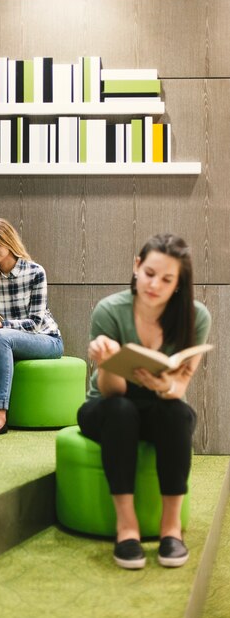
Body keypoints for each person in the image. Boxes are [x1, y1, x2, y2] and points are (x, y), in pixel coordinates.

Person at [77, 234, 211, 570]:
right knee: (121, 411)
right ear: (137, 266)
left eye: (167, 279)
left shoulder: (195, 316)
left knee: (177, 414)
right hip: (106, 406)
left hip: (159, 405)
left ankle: (171, 529)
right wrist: (107, 362)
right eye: (150, 273)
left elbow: (179, 388)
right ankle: (127, 527)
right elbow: (111, 391)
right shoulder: (110, 309)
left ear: (179, 284)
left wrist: (165, 384)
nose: (155, 285)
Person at [0, 217, 64, 437]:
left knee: (1, 336)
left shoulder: (35, 272)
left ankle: (0, 414)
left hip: (47, 340)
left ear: (8, 241)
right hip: (7, 336)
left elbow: (35, 323)